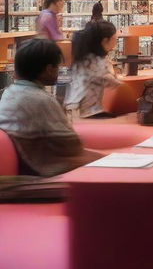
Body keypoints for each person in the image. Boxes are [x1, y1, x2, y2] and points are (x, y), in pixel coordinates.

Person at [0, 39, 101, 176]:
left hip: (25, 168)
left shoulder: (10, 92)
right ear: (48, 69)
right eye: (57, 67)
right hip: (44, 174)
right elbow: (71, 146)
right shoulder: (41, 100)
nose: (58, 71)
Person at [65, 20, 122, 119]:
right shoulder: (97, 62)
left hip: (73, 111)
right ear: (105, 41)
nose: (116, 41)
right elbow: (115, 84)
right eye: (115, 38)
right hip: (88, 113)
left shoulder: (83, 57)